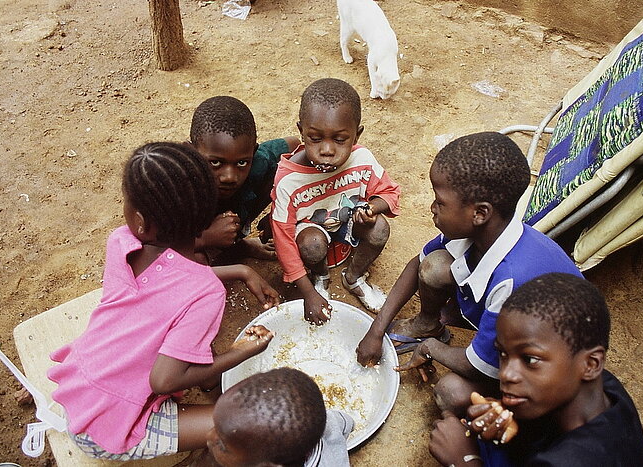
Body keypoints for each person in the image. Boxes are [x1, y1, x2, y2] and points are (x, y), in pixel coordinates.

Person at [47, 142, 275, 459]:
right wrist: (242, 351)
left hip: (78, 386)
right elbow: (165, 380)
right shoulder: (206, 293)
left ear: (140, 221)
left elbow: (167, 278)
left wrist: (239, 271)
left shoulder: (121, 242)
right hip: (108, 428)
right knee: (247, 423)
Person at [356, 132, 582, 415]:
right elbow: (418, 264)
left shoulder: (512, 283)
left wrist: (430, 349)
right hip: (512, 328)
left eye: (440, 202)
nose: (432, 209)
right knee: (435, 265)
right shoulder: (483, 232)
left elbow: (481, 367)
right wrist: (377, 331)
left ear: (480, 213)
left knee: (451, 392)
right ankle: (429, 324)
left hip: (550, 370)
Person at [428, 273, 643, 466]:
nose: (506, 374)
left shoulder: (570, 461)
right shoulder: (606, 387)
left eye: (531, 360)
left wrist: (464, 459)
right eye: (503, 354)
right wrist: (514, 422)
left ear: (590, 364)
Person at [271, 78, 401, 323]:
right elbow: (283, 239)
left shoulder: (362, 158)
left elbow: (390, 192)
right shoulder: (289, 180)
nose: (327, 150)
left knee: (380, 227)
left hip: (346, 222)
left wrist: (373, 207)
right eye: (315, 138)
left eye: (340, 139)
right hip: (312, 231)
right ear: (301, 132)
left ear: (356, 134)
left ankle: (354, 278)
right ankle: (320, 277)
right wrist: (308, 293)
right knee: (312, 244)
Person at [189, 95, 300, 264]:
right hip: (190, 239)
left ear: (253, 152)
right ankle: (224, 249)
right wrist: (205, 239)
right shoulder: (176, 185)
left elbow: (294, 146)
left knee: (284, 166)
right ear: (191, 152)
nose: (229, 177)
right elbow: (151, 246)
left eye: (241, 162)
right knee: (196, 261)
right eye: (215, 162)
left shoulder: (258, 160)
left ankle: (238, 246)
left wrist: (279, 212)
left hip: (233, 214)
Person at [195, 367, 354, 467]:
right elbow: (347, 424)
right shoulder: (329, 422)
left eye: (223, 445)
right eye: (215, 427)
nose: (209, 437)